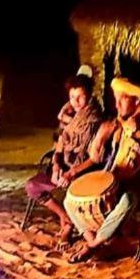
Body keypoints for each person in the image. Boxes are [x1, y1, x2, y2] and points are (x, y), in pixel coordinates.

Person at [67, 77, 140, 262]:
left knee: (127, 201)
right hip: (114, 180)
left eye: (122, 98)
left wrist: (134, 133)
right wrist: (101, 138)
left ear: (137, 101)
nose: (116, 104)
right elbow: (100, 158)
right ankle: (93, 239)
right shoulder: (117, 124)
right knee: (70, 200)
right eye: (115, 98)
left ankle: (94, 245)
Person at [24, 74, 104, 239]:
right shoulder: (72, 120)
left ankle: (70, 227)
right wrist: (56, 166)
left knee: (69, 193)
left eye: (81, 96)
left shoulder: (96, 121)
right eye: (72, 97)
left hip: (83, 172)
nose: (76, 101)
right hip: (64, 169)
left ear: (89, 95)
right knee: (32, 185)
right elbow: (60, 146)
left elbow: (95, 158)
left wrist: (71, 173)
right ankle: (65, 218)